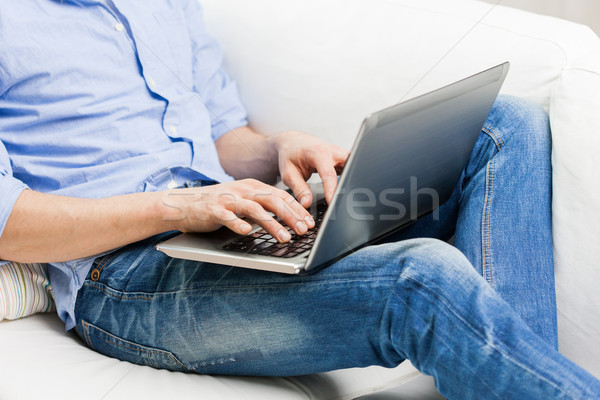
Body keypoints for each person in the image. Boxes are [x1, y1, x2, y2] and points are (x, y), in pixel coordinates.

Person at [0, 1, 599, 399]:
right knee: (420, 278)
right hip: (124, 277)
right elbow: (10, 227)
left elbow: (221, 135)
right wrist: (182, 209)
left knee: (503, 124)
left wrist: (277, 148)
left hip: (235, 220)